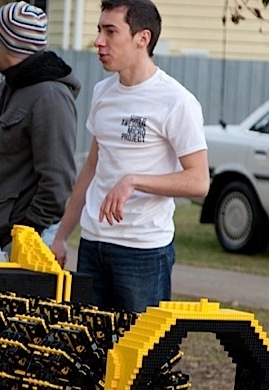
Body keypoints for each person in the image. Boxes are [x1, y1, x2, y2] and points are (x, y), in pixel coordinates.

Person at [49, 0, 209, 312]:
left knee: (140, 342)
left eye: (110, 31)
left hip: (143, 251)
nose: (99, 41)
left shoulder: (176, 100)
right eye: (99, 30)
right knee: (90, 340)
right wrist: (61, 235)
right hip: (93, 244)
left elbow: (199, 181)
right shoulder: (102, 92)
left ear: (142, 38)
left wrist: (134, 181)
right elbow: (92, 167)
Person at [0, 1, 81, 252]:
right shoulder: (6, 88)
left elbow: (57, 182)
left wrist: (26, 232)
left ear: (11, 43)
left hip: (23, 240)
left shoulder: (50, 97)